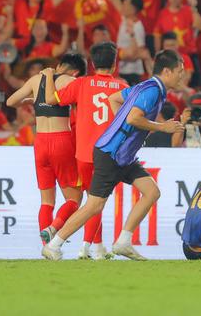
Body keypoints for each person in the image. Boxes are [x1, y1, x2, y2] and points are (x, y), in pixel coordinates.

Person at [43, 49, 189, 261]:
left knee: (151, 191)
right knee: (94, 205)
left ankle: (123, 242)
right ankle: (54, 245)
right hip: (112, 153)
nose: (181, 75)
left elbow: (114, 100)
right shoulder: (152, 91)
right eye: (179, 71)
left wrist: (120, 132)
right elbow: (132, 119)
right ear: (167, 71)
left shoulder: (145, 86)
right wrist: (161, 127)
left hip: (122, 154)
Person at [54, 42, 128, 259]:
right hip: (108, 153)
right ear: (114, 64)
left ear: (92, 63)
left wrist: (48, 78)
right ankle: (90, 248)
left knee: (92, 201)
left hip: (84, 153)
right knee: (97, 202)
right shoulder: (123, 88)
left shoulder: (82, 84)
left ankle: (95, 247)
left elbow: (56, 98)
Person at [5, 51, 87, 244]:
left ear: (60, 65)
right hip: (61, 140)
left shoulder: (36, 79)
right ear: (76, 72)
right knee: (74, 200)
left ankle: (45, 247)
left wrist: (30, 99)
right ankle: (53, 229)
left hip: (40, 141)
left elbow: (10, 102)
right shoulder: (70, 81)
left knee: (46, 202)